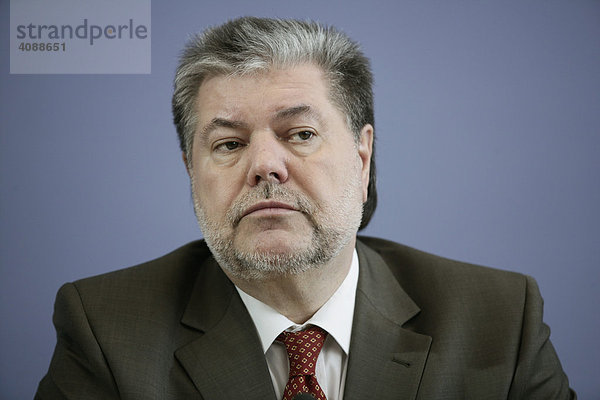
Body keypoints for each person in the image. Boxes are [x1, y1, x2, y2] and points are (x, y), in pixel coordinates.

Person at [35, 17, 576, 399]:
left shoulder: (500, 320)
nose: (264, 165)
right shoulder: (105, 328)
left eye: (300, 133)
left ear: (363, 157)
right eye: (228, 144)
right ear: (189, 171)